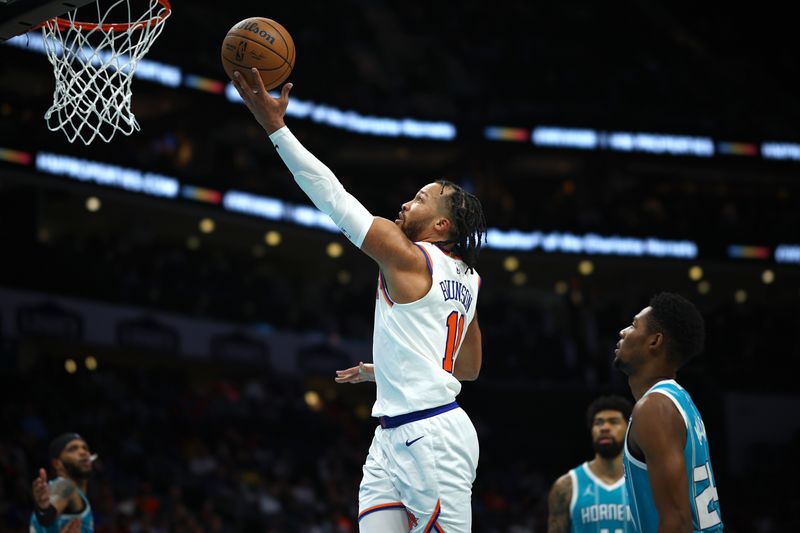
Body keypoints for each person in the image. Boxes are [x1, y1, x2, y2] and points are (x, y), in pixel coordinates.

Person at [232, 70, 487, 533]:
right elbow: (466, 368)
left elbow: (332, 196)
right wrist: (387, 368)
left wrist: (275, 129)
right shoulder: (470, 279)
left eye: (420, 199)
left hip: (430, 436)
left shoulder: (406, 254)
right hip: (394, 435)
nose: (406, 204)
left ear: (441, 226)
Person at [614, 292, 723, 532]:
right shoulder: (680, 402)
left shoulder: (655, 408)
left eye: (633, 325)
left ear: (655, 341)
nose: (623, 331)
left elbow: (677, 522)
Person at [547, 395, 634, 533]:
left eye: (613, 422)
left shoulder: (646, 483)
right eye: (598, 423)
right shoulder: (566, 486)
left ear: (628, 428)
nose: (604, 428)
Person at [31, 432, 95, 533]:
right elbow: (47, 516)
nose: (83, 452)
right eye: (73, 449)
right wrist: (44, 507)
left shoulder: (77, 495)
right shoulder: (65, 485)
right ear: (57, 463)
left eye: (85, 448)